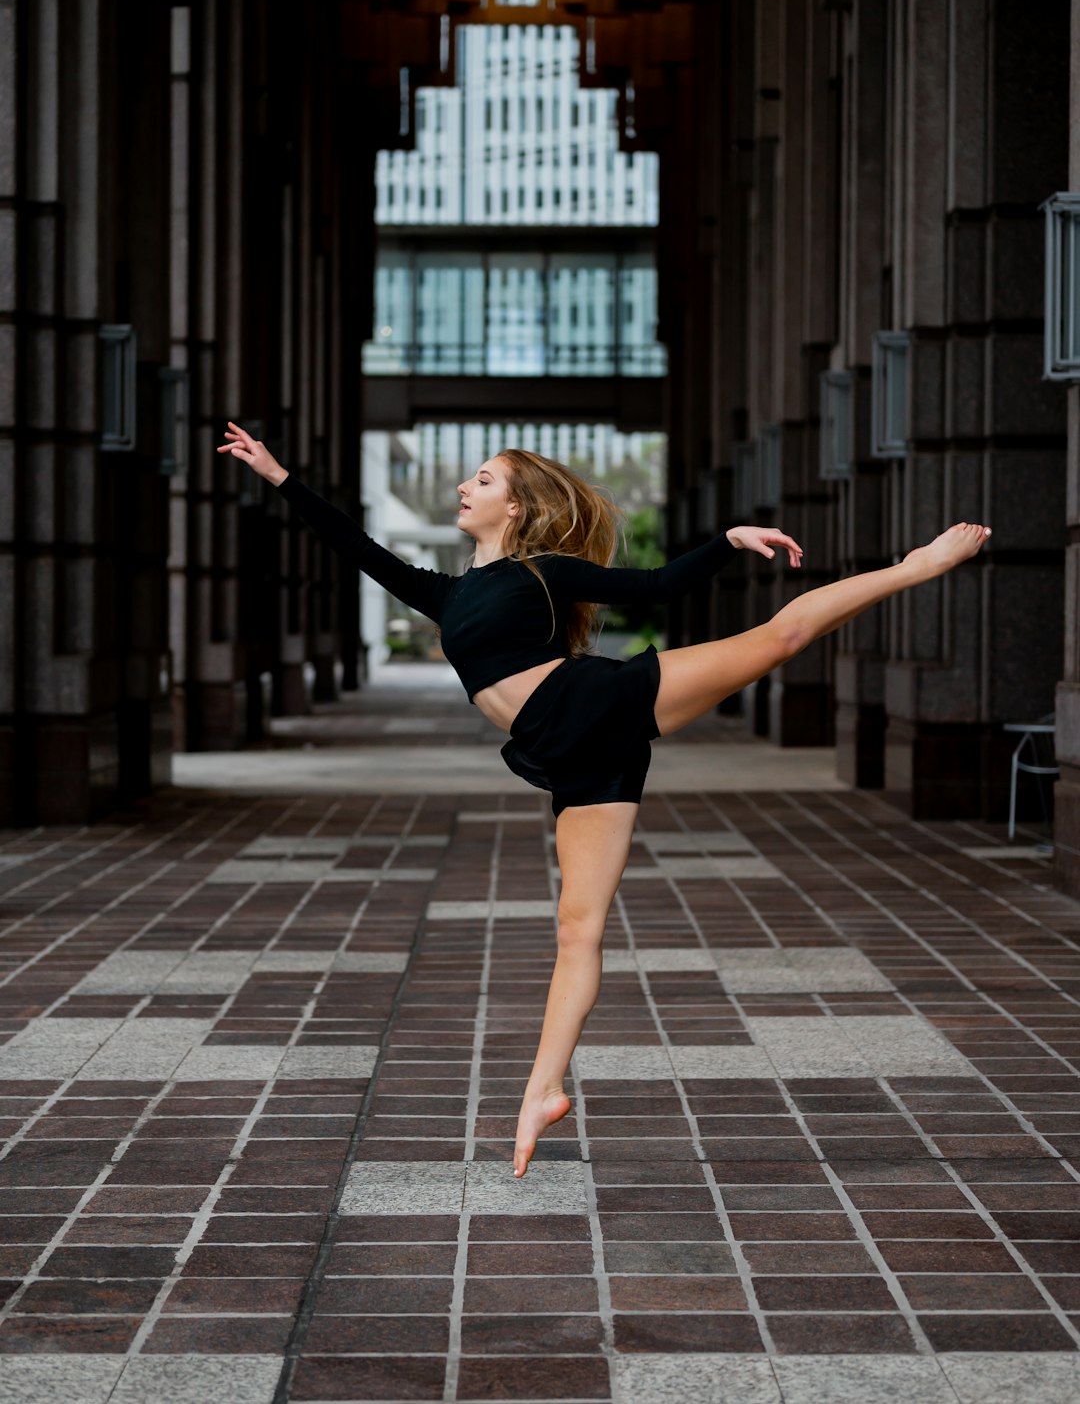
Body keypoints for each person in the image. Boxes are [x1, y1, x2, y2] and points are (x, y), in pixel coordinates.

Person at [217, 421, 991, 1177]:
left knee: (778, 639)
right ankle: (543, 1089)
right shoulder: (446, 594)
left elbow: (654, 584)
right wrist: (281, 478)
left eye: (482, 479)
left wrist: (725, 542)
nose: (463, 486)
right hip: (570, 756)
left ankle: (916, 566)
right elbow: (356, 545)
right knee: (576, 928)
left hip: (596, 704)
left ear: (514, 507)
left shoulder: (544, 571)